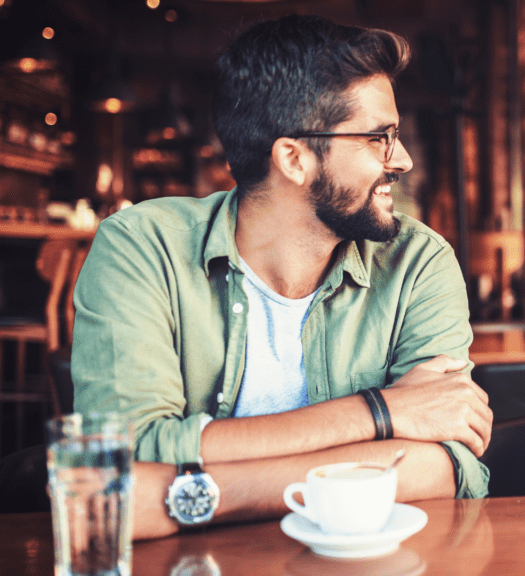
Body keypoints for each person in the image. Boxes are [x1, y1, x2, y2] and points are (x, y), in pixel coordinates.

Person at [71, 14, 492, 536]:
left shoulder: (417, 262)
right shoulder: (140, 249)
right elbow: (119, 457)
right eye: (377, 138)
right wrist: (380, 414)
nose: (400, 159)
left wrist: (197, 494)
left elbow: (449, 463)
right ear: (293, 158)